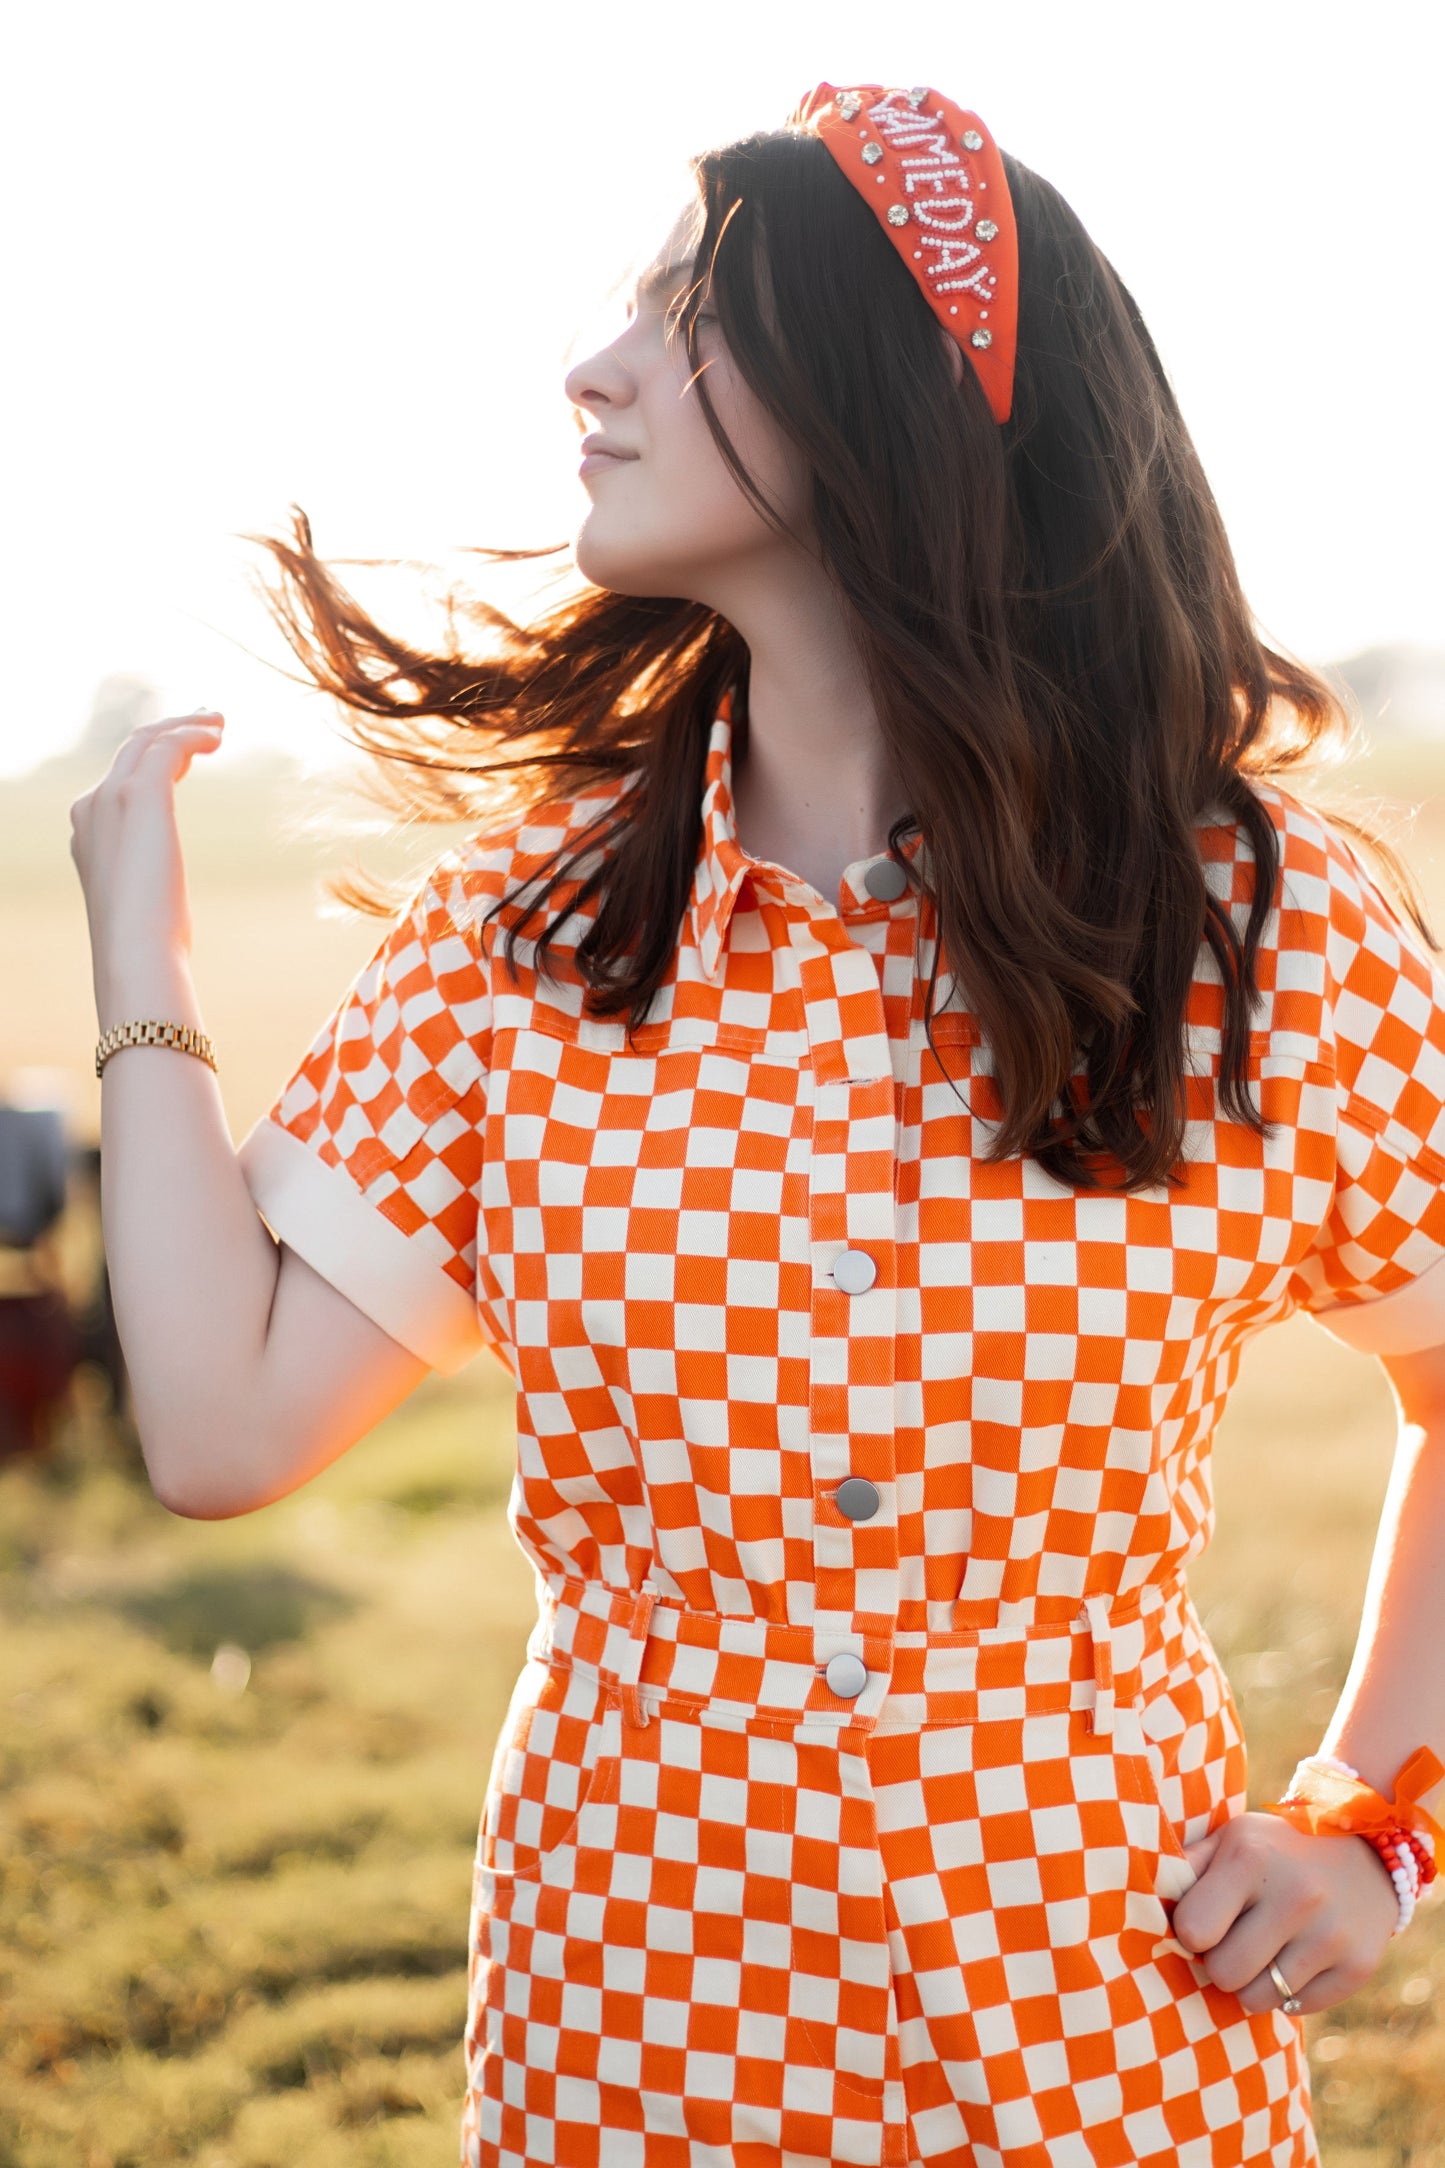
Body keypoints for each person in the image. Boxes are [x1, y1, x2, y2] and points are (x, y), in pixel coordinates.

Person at [68, 78, 1445, 2168]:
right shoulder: (528, 939)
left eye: (691, 312)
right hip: (640, 2023)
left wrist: (1379, 1819)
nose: (591, 367)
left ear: (885, 396)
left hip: (1103, 2041)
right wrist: (140, 965)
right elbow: (219, 1426)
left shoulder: (1264, 934)